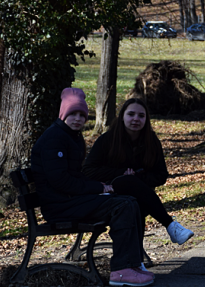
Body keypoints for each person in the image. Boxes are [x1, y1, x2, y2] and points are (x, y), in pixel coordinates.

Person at [31, 88, 153, 287]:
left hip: (70, 200)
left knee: (131, 201)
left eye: (82, 114)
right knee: (122, 205)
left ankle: (133, 264)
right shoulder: (55, 138)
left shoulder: (72, 136)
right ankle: (122, 270)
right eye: (73, 114)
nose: (78, 119)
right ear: (63, 114)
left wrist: (102, 187)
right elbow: (60, 181)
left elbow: (76, 176)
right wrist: (99, 188)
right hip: (60, 206)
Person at [83, 97, 194, 264]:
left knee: (137, 200)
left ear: (146, 119)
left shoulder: (151, 142)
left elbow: (160, 175)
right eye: (131, 114)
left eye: (141, 116)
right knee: (130, 189)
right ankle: (169, 226)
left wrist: (138, 178)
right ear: (122, 117)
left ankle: (135, 262)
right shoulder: (107, 140)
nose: (136, 119)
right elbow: (88, 171)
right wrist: (120, 173)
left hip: (138, 195)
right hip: (107, 193)